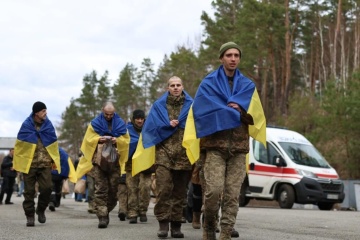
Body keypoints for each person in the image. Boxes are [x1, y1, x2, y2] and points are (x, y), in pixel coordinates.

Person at [183, 42, 266, 240]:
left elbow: (255, 118)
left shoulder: (247, 86)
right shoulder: (208, 83)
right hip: (214, 148)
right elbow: (200, 113)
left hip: (238, 148)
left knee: (231, 196)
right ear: (221, 58)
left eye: (236, 55)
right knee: (212, 192)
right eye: (229, 55)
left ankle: (226, 233)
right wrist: (225, 110)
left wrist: (241, 110)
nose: (233, 58)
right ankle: (209, 228)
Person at [132, 76, 193, 238]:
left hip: (183, 155)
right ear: (167, 88)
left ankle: (176, 225)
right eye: (172, 85)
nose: (175, 88)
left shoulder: (191, 106)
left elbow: (197, 126)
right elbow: (150, 129)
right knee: (164, 189)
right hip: (163, 154)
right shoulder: (159, 106)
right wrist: (166, 125)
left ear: (182, 86)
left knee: (180, 192)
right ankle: (163, 223)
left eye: (178, 85)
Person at [76, 101, 130, 229]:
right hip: (99, 161)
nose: (109, 116)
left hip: (115, 162)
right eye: (106, 114)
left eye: (111, 114)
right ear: (102, 111)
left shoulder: (120, 124)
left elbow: (126, 140)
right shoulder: (94, 124)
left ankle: (106, 209)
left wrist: (117, 140)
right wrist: (98, 139)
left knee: (113, 189)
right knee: (100, 189)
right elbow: (87, 139)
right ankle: (102, 216)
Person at [13, 101, 61, 227]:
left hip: (45, 163)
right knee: (29, 192)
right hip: (29, 164)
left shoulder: (49, 125)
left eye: (46, 110)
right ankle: (30, 216)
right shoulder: (26, 126)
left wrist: (54, 160)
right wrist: (18, 163)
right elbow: (20, 146)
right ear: (36, 113)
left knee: (47, 188)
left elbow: (53, 143)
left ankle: (40, 210)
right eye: (43, 111)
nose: (46, 113)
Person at [125, 109, 152, 224]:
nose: (140, 121)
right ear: (133, 119)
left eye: (141, 119)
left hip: (146, 163)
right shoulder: (127, 130)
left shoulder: (149, 128)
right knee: (132, 188)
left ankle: (143, 210)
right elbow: (123, 143)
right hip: (131, 163)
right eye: (137, 119)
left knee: (145, 187)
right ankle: (132, 212)